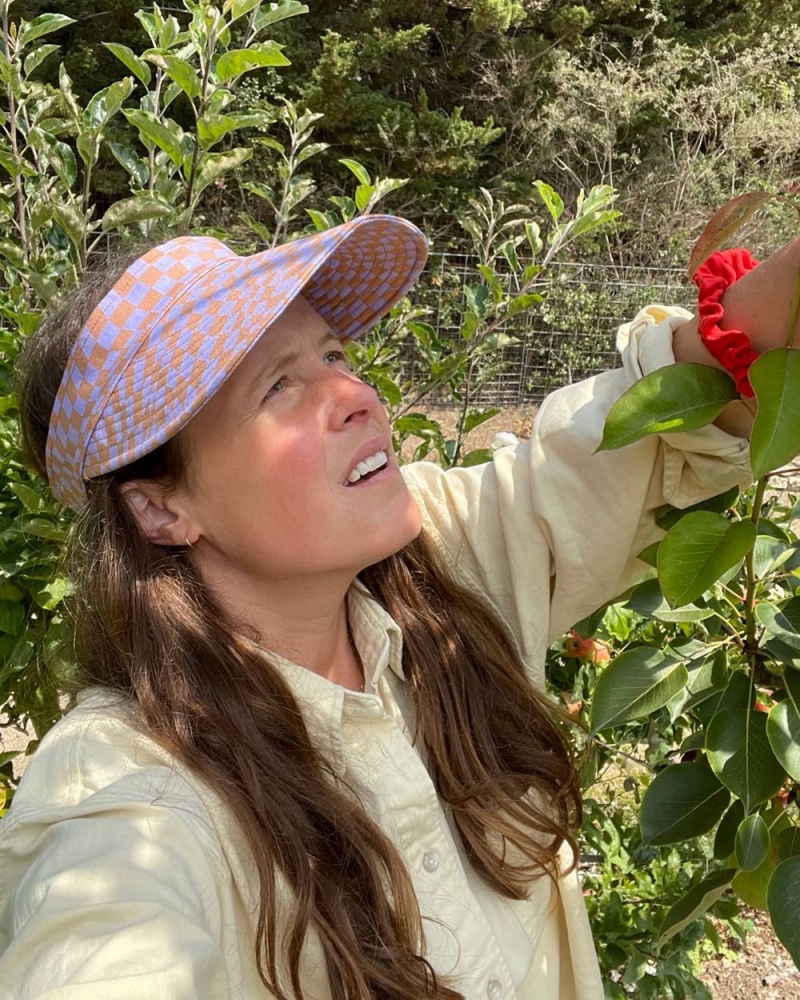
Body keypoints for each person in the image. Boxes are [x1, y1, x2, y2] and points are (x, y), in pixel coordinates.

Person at [0, 214, 794, 1000]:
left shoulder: (430, 581)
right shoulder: (126, 792)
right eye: (277, 385)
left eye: (335, 353)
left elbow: (664, 418)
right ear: (159, 509)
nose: (354, 395)